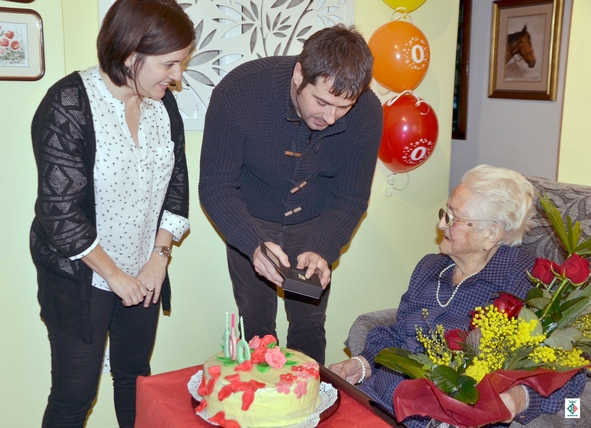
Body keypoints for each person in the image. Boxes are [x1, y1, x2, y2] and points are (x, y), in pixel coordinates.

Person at [29, 1, 195, 426]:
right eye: (170, 64)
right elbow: (60, 213)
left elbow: (176, 183)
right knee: (74, 395)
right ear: (129, 54)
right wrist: (115, 276)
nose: (177, 77)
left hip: (145, 269)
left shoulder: (163, 105)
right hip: (81, 276)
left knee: (136, 381)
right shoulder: (68, 104)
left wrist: (160, 257)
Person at [329, 165, 588, 427]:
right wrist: (361, 364)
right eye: (445, 212)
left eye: (453, 218)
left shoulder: (528, 286)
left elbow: (569, 376)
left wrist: (519, 399)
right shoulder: (430, 267)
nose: (441, 224)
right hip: (379, 399)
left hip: (431, 419)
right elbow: (398, 333)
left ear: (491, 234)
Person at [198, 24, 383, 364]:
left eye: (344, 107)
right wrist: (252, 242)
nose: (330, 117)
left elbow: (351, 196)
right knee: (256, 325)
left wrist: (324, 248)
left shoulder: (368, 112)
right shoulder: (239, 92)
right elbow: (215, 186)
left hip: (315, 222)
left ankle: (305, 405)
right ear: (300, 74)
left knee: (310, 324)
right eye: (322, 102)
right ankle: (264, 410)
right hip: (249, 218)